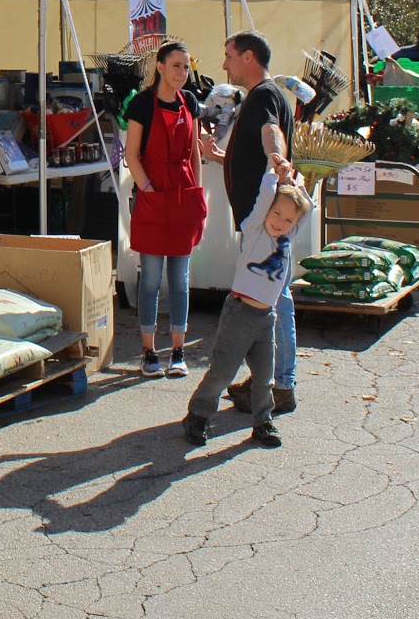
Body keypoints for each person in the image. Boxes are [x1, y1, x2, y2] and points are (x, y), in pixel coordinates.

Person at [202, 30, 300, 416]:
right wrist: (218, 157)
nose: (224, 64)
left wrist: (278, 159)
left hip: (264, 224)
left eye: (229, 56)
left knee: (271, 302)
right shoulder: (264, 96)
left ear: (248, 57)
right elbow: (251, 157)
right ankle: (271, 382)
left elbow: (271, 134)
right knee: (268, 300)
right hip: (261, 221)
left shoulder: (263, 96)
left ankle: (280, 385)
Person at [182, 172, 314, 448]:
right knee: (223, 371)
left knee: (265, 377)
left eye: (288, 220)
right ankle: (198, 414)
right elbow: (265, 196)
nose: (280, 222)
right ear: (267, 211)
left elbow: (308, 209)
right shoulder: (254, 230)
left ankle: (262, 421)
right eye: (276, 214)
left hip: (266, 317)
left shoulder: (286, 238)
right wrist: (275, 173)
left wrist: (296, 183)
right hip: (240, 313)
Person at [122, 41, 209, 378]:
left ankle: (177, 350)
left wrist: (198, 194)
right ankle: (148, 351)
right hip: (153, 197)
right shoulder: (142, 104)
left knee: (180, 280)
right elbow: (132, 154)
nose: (181, 73)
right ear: (159, 67)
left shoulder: (190, 102)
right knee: (150, 280)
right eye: (176, 66)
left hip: (184, 196)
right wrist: (148, 189)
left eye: (185, 67)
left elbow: (194, 154)